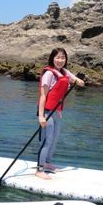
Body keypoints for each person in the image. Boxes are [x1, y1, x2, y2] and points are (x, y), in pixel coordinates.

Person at [36, 47, 85, 180]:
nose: (60, 60)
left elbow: (76, 80)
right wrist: (41, 116)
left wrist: (78, 81)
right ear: (52, 58)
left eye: (62, 57)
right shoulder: (49, 74)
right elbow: (43, 96)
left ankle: (47, 162)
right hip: (47, 112)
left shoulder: (64, 72)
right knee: (48, 140)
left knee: (55, 140)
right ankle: (39, 169)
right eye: (57, 57)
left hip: (57, 112)